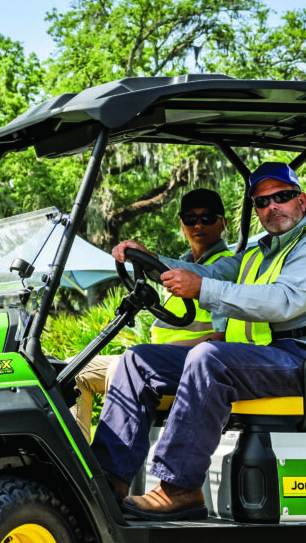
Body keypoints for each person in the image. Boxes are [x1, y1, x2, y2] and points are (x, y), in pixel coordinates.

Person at [92, 161, 306, 520]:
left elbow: (284, 301)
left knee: (208, 357)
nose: (272, 207)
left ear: (302, 202)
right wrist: (153, 261)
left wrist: (202, 289)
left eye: (283, 197)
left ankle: (179, 487)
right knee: (138, 361)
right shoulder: (261, 253)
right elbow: (209, 272)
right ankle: (108, 482)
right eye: (262, 202)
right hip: (264, 358)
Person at [70, 189, 233, 442]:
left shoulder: (226, 268)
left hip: (190, 367)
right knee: (73, 371)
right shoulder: (179, 265)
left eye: (208, 218)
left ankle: (116, 469)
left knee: (127, 368)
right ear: (181, 224)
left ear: (223, 223)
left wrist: (150, 260)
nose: (198, 224)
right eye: (190, 219)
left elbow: (223, 338)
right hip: (161, 361)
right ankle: (78, 465)